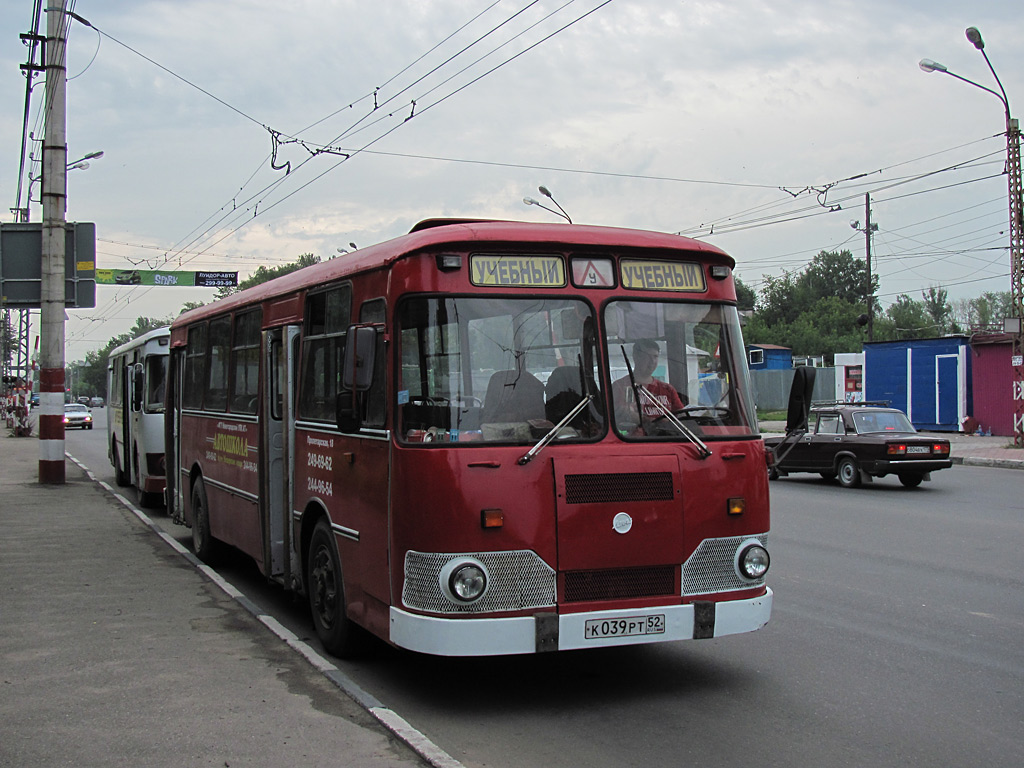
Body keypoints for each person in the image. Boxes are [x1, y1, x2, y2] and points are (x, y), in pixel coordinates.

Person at [612, 339, 685, 429]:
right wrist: (647, 421)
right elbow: (623, 415)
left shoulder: (667, 389)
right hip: (636, 440)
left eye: (655, 357)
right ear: (636, 357)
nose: (652, 361)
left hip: (667, 437)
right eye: (647, 356)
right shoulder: (620, 386)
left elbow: (682, 416)